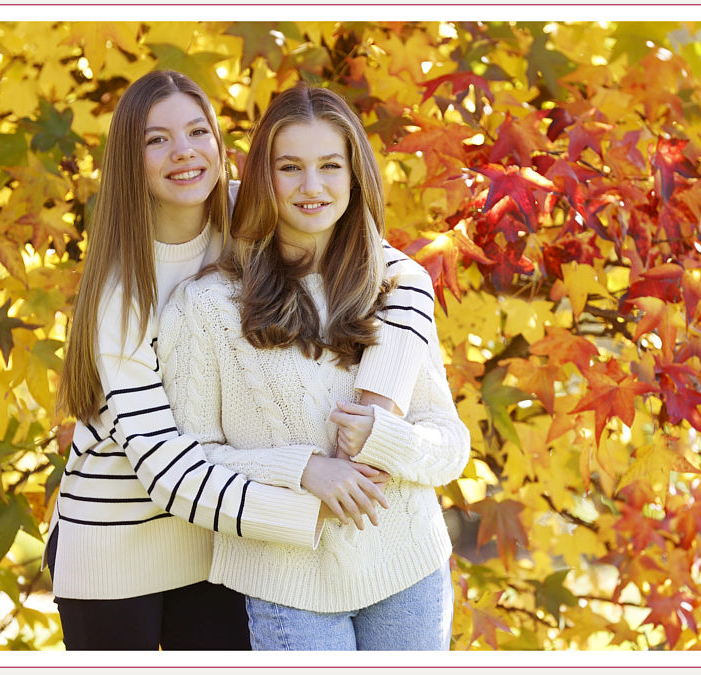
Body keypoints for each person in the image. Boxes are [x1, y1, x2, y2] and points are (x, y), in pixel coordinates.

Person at [47, 71, 436, 650]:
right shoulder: (122, 295)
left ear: (221, 145)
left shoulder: (246, 214)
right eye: (157, 139)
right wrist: (306, 501)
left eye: (197, 130)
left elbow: (397, 272)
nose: (183, 152)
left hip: (221, 541)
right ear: (131, 160)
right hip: (119, 544)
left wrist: (379, 399)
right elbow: (166, 468)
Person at [157, 83, 470, 651]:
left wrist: (387, 438)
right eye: (290, 167)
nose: (312, 186)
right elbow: (191, 462)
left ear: (355, 176)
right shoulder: (207, 308)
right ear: (263, 179)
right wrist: (304, 471)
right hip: (285, 580)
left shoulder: (396, 290)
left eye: (330, 165)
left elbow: (450, 444)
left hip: (407, 568)